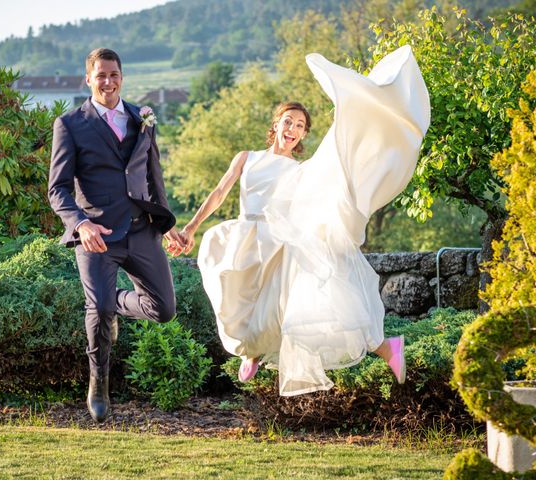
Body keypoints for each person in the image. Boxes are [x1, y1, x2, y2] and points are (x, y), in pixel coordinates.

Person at [180, 45, 430, 396]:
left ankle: (387, 347)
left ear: (301, 135)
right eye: (288, 122)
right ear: (275, 124)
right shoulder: (247, 158)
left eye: (299, 126)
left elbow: (323, 190)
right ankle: (252, 350)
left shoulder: (300, 171)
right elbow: (219, 192)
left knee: (296, 311)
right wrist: (191, 227)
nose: (293, 129)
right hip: (243, 238)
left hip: (279, 243)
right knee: (232, 298)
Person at [48, 48, 185, 422]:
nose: (108, 82)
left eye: (114, 75)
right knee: (98, 308)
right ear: (88, 80)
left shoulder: (143, 116)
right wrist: (80, 224)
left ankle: (113, 304)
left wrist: (166, 226)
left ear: (122, 76)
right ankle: (98, 383)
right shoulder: (70, 124)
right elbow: (57, 189)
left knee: (164, 310)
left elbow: (153, 177)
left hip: (142, 230)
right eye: (100, 76)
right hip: (97, 236)